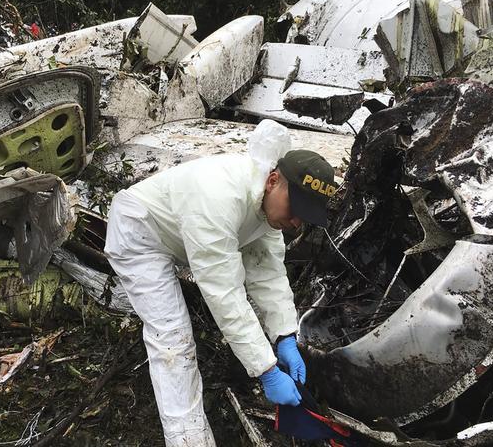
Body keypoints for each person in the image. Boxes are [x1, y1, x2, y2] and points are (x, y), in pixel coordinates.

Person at [104, 120, 337, 446]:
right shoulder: (219, 197)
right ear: (273, 180)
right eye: (295, 208)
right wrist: (266, 370)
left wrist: (284, 335)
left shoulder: (266, 206)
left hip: (180, 235)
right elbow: (225, 293)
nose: (296, 222)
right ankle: (187, 440)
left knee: (222, 316)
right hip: (140, 230)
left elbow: (267, 273)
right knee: (173, 340)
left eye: (306, 216)